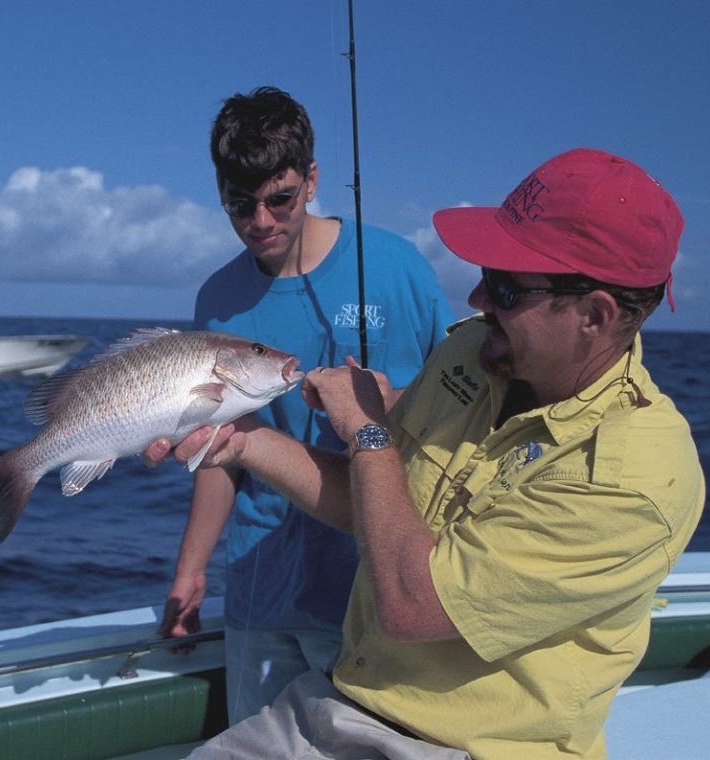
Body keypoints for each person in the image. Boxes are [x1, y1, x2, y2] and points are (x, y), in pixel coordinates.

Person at [145, 148, 704, 759]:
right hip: (347, 701)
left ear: (594, 315)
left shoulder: (635, 480)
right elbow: (376, 507)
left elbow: (413, 608)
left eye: (506, 288)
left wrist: (368, 431)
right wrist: (244, 441)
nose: (476, 298)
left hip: (466, 746)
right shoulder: (470, 354)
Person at [159, 85, 453, 725]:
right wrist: (190, 572)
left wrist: (388, 402)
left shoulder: (399, 268)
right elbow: (223, 451)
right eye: (240, 205)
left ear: (313, 179)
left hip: (371, 592)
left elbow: (462, 419)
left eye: (280, 198)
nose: (261, 221)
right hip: (259, 586)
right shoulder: (217, 298)